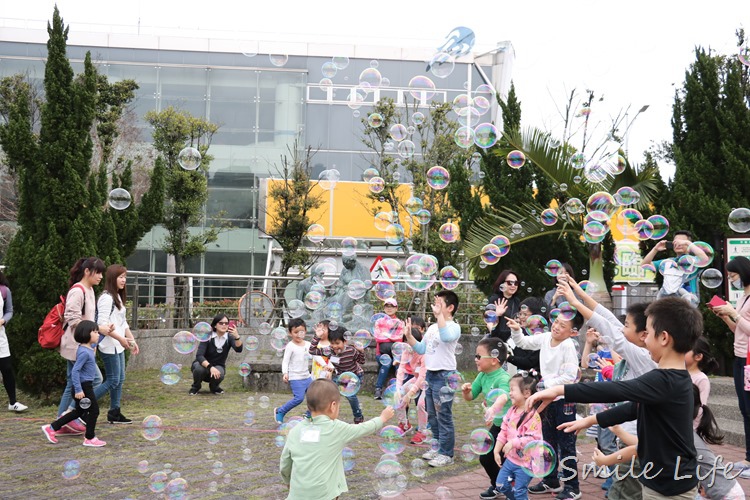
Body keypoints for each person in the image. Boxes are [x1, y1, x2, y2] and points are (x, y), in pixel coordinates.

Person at [530, 297, 701, 499]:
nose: (644, 339)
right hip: (663, 479)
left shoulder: (664, 380)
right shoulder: (671, 380)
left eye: (649, 333)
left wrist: (560, 390)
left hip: (670, 487)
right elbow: (634, 408)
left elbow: (617, 389)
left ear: (664, 338)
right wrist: (591, 420)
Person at [558, 279, 655, 500]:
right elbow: (609, 318)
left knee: (624, 493)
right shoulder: (642, 351)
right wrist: (580, 293)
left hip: (634, 437)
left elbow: (608, 328)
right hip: (632, 435)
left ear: (643, 334)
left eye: (628, 325)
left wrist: (574, 301)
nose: (622, 328)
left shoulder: (642, 356)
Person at [592, 385, 745, 500]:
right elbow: (644, 444)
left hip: (726, 495)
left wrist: (605, 460)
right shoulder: (678, 431)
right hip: (717, 490)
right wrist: (619, 432)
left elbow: (638, 449)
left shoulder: (679, 435)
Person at [507, 308, 582, 499]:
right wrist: (516, 330)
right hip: (545, 400)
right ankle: (551, 480)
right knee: (547, 440)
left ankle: (573, 486)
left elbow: (570, 376)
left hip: (563, 400)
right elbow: (523, 342)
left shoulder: (567, 346)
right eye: (556, 322)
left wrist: (545, 385)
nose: (556, 327)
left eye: (563, 326)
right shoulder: (545, 337)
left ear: (573, 332)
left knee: (566, 444)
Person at [279, 378, 395, 500]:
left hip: (297, 495)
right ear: (333, 406)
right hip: (325, 495)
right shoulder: (336, 428)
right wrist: (382, 418)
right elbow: (363, 428)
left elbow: (285, 464)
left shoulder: (295, 430)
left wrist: (288, 482)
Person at [404, 290, 461, 468]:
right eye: (434, 303)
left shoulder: (453, 326)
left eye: (439, 304)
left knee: (443, 415)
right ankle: (436, 447)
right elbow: (422, 349)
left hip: (445, 375)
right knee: (432, 415)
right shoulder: (432, 328)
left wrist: (438, 317)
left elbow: (446, 337)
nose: (435, 307)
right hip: (431, 374)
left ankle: (446, 453)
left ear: (450, 307)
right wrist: (409, 337)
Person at [57, 257, 111, 435]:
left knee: (71, 384)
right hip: (75, 345)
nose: (101, 277)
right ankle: (68, 416)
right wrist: (96, 329)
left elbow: (87, 318)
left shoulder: (89, 290)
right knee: (95, 378)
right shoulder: (78, 290)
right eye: (98, 272)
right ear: (87, 271)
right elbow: (72, 318)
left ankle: (61, 421)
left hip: (83, 344)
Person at [709, 255, 750, 476]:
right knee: (745, 410)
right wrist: (725, 317)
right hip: (740, 358)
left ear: (743, 273)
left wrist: (734, 313)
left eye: (733, 275)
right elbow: (740, 330)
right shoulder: (743, 297)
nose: (731, 279)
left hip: (749, 361)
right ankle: (748, 459)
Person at [42, 321, 106, 447]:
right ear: (86, 334)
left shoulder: (88, 347)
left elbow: (97, 341)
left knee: (78, 412)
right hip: (83, 388)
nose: (98, 334)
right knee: (94, 411)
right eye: (95, 332)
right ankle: (90, 438)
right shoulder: (84, 352)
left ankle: (52, 428)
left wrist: (106, 333)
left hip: (84, 386)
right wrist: (78, 390)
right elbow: (75, 371)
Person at [461, 338, 511, 499]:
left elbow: (503, 396)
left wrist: (492, 409)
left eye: (478, 356)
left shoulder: (503, 378)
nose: (475, 359)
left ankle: (509, 484)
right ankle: (499, 485)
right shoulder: (482, 375)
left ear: (494, 360)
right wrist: (465, 391)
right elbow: (471, 396)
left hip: (512, 426)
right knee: (487, 458)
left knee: (504, 459)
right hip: (498, 425)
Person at [95, 264, 138, 424]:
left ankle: (115, 412)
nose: (124, 280)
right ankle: (82, 404)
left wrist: (131, 340)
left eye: (125, 277)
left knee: (120, 379)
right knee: (113, 380)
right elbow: (102, 324)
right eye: (121, 277)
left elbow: (123, 322)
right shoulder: (106, 298)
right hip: (109, 345)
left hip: (119, 345)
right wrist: (121, 338)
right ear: (112, 278)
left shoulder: (117, 297)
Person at [493, 371, 543, 500]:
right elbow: (503, 431)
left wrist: (513, 442)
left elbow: (533, 439)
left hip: (527, 463)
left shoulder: (532, 416)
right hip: (511, 459)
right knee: (500, 484)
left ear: (526, 393)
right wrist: (496, 450)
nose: (509, 393)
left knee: (520, 490)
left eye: (512, 390)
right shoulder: (511, 411)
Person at [309, 327, 366, 423]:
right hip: (340, 376)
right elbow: (312, 351)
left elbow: (362, 361)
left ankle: (358, 416)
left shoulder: (351, 350)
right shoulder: (329, 350)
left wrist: (361, 351)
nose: (335, 346)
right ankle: (316, 414)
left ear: (345, 342)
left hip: (354, 376)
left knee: (351, 396)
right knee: (328, 393)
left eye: (337, 343)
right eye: (332, 343)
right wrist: (317, 337)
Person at [641, 230, 707, 305]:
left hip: (687, 305)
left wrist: (688, 243)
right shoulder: (667, 262)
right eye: (676, 242)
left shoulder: (693, 261)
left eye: (682, 242)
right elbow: (644, 266)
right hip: (665, 304)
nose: (678, 244)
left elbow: (704, 259)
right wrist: (655, 249)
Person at [189, 314, 243, 395]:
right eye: (221, 323)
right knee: (199, 369)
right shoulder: (208, 336)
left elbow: (239, 349)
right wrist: (210, 367)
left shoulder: (229, 337)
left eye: (226, 323)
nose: (224, 325)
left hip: (218, 365)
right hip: (203, 364)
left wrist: (237, 337)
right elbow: (199, 356)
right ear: (215, 325)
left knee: (220, 372)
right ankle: (195, 387)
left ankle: (214, 387)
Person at [275, 318, 313, 424]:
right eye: (295, 332)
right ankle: (280, 411)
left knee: (314, 396)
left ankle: (309, 414)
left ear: (305, 331)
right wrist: (285, 373)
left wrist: (325, 365)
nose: (298, 334)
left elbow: (316, 356)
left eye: (301, 331)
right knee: (299, 398)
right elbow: (285, 361)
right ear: (290, 333)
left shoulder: (308, 344)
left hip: (307, 376)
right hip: (295, 377)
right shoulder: (290, 346)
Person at [0, 271, 27, 412]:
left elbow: (9, 310)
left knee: (6, 369)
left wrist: (3, 320)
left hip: (0, 337)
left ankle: (12, 402)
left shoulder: (4, 290)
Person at [394, 325, 426, 435]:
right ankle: (404, 424)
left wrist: (411, 393)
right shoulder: (406, 352)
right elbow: (401, 370)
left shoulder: (423, 353)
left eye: (410, 341)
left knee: (421, 404)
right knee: (398, 397)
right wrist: (398, 389)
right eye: (405, 341)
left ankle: (422, 431)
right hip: (416, 379)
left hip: (428, 381)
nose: (408, 345)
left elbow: (422, 376)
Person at [373, 297, 405, 400]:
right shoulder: (379, 321)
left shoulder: (400, 323)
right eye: (387, 306)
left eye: (392, 306)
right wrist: (392, 338)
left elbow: (400, 339)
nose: (389, 308)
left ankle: (398, 390)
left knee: (398, 364)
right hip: (381, 353)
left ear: (396, 308)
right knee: (387, 362)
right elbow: (378, 338)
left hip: (396, 353)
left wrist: (385, 336)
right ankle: (378, 389)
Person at [686, 336, 718, 428]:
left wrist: (693, 429)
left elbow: (701, 408)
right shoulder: (679, 373)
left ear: (698, 356)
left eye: (686, 350)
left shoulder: (701, 379)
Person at [506, 297, 544, 372]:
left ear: (536, 317)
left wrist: (507, 357)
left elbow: (530, 362)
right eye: (520, 314)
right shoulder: (521, 332)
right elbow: (500, 335)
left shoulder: (542, 336)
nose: (521, 317)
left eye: (525, 314)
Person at [487, 269, 522, 342]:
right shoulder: (494, 299)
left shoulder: (517, 301)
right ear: (502, 283)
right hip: (496, 339)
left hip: (513, 340)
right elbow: (489, 324)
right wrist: (496, 314)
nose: (513, 286)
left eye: (516, 283)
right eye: (510, 283)